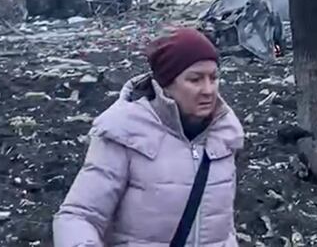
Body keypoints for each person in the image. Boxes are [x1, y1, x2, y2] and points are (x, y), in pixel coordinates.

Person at [54, 28, 243, 246]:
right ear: (166, 85)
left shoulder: (224, 135)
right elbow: (78, 217)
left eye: (213, 77)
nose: (208, 89)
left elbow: (223, 228)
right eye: (195, 79)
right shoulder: (125, 133)